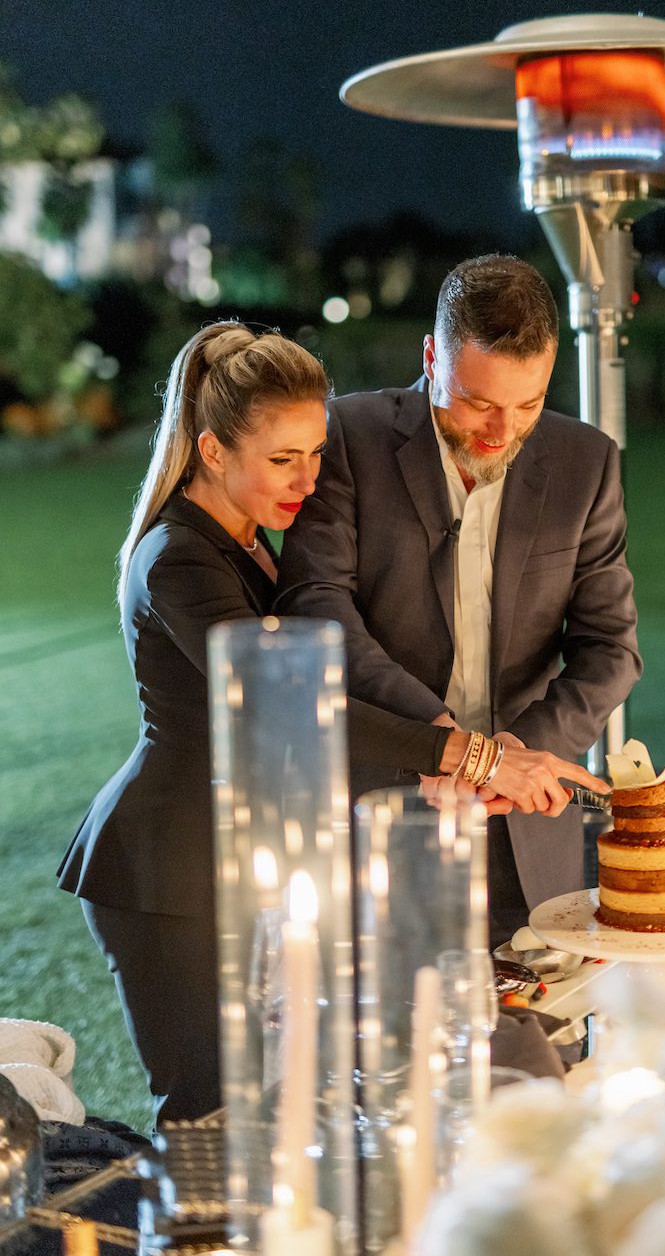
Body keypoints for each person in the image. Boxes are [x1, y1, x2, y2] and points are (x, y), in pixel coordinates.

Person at [57, 320, 607, 1127]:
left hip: (237, 856)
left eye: (317, 453)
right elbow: (293, 711)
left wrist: (443, 777)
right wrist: (472, 756)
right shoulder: (180, 557)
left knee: (288, 1103)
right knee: (211, 1113)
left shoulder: (245, 543)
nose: (308, 480)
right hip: (164, 868)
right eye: (283, 458)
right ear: (211, 451)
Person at [277, 255, 642, 945]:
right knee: (381, 1038)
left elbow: (611, 651)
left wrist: (519, 755)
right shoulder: (348, 438)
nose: (502, 430)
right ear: (431, 358)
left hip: (527, 833)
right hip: (376, 813)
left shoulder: (586, 463)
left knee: (541, 1043)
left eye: (527, 404)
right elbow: (317, 608)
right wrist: (450, 744)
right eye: (478, 403)